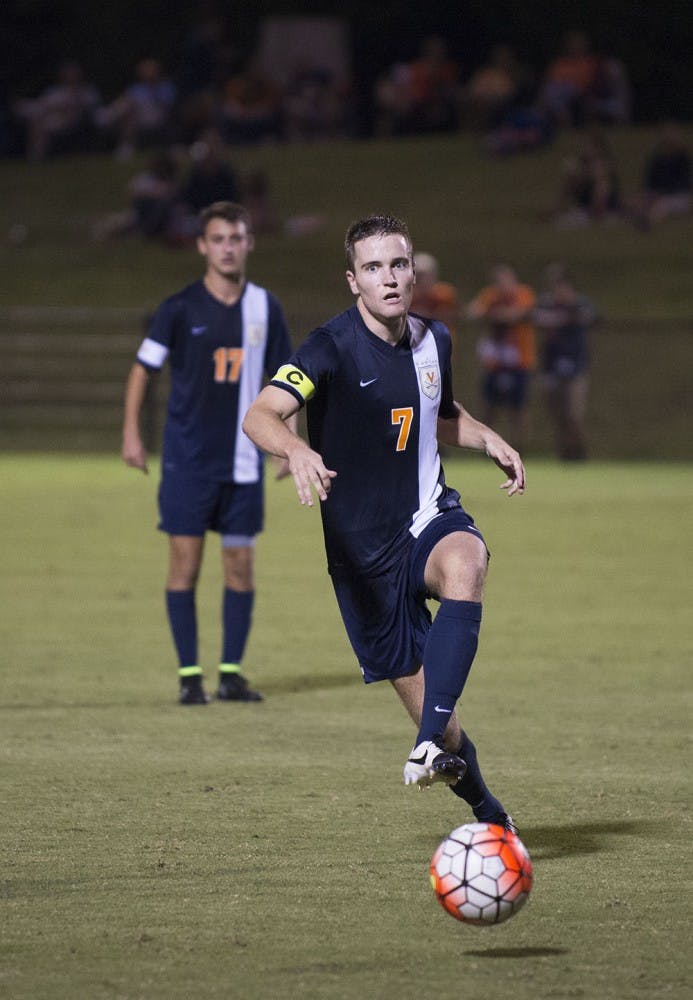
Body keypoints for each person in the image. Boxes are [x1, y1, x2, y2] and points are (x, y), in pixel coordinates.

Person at [242, 214, 525, 830]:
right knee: (446, 730)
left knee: (467, 560)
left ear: (412, 268)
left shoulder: (434, 339)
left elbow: (439, 412)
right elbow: (261, 413)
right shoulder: (329, 347)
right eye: (374, 268)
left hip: (425, 517)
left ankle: (426, 745)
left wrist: (485, 438)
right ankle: (485, 808)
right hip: (362, 560)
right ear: (354, 281)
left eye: (398, 264)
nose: (390, 278)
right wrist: (295, 448)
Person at [122, 201, 293, 705]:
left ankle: (231, 673)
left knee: (240, 565)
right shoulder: (179, 308)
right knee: (185, 565)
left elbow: (288, 379)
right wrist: (131, 432)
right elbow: (142, 371)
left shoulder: (266, 307)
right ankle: (189, 676)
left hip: (244, 463)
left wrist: (288, 443)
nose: (227, 247)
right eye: (217, 239)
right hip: (188, 463)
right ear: (202, 245)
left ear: (248, 243)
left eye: (236, 238)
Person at [466, 265, 536, 451]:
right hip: (495, 363)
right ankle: (486, 447)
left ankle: (520, 448)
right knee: (490, 408)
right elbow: (473, 312)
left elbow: (520, 313)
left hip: (519, 362)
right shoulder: (490, 296)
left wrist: (496, 314)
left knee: (518, 409)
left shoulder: (523, 294)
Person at [533, 263, 599, 461]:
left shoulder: (580, 304)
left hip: (576, 367)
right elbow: (533, 317)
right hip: (551, 366)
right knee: (557, 414)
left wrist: (566, 317)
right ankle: (564, 452)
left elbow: (593, 317)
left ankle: (579, 451)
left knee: (574, 414)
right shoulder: (545, 303)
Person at [410, 252, 460, 340]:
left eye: (425, 275)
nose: (422, 280)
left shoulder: (443, 296)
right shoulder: (407, 298)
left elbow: (449, 321)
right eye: (418, 275)